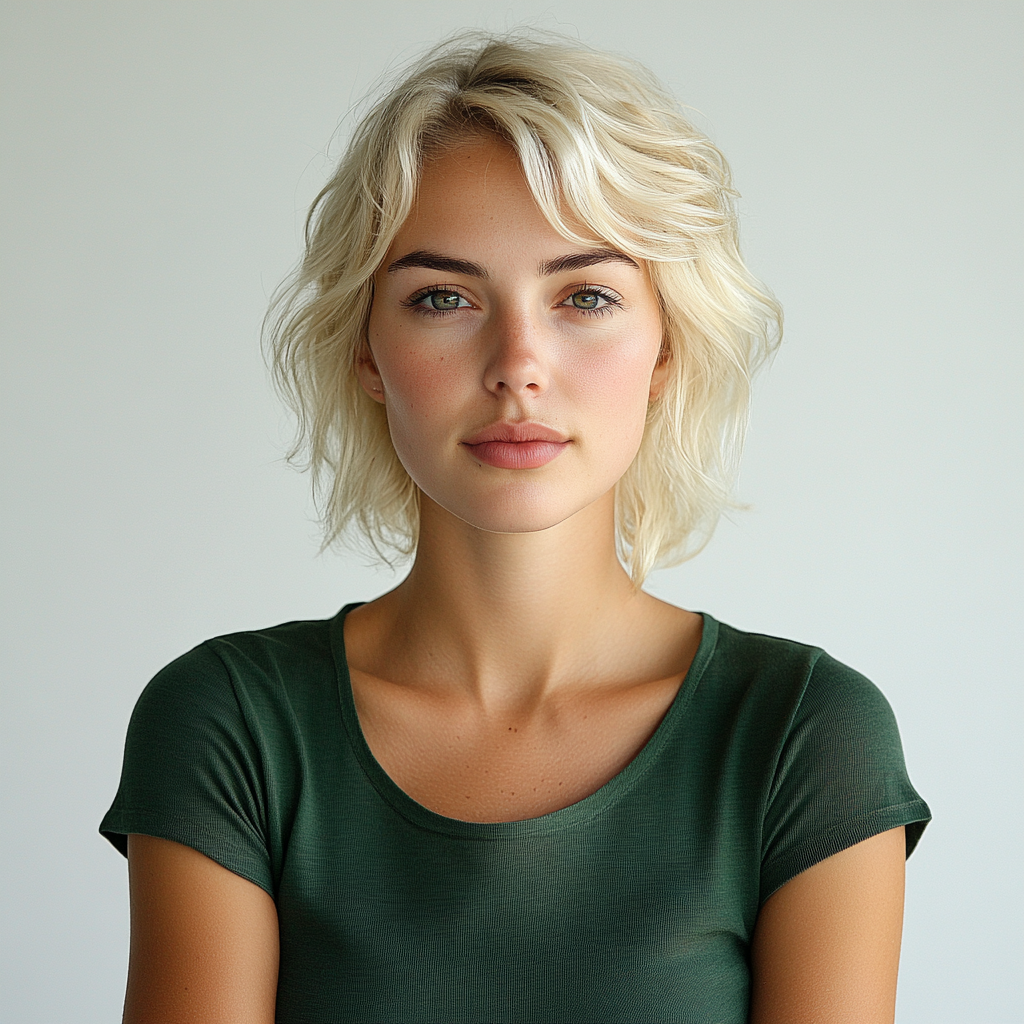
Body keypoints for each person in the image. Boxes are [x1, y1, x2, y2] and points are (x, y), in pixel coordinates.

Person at [100, 30, 931, 1024]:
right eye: (442, 298)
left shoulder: (803, 735)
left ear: (666, 349)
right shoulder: (233, 724)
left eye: (584, 295)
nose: (518, 364)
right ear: (368, 352)